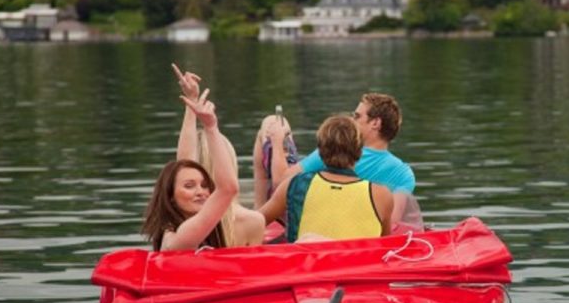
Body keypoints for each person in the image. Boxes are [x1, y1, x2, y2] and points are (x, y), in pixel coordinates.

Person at [255, 92, 415, 228]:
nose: (352, 121)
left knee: (270, 123)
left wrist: (277, 141)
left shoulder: (337, 150)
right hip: (356, 231)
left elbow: (280, 182)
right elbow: (393, 223)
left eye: (357, 116)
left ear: (375, 123)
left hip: (306, 218)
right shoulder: (404, 173)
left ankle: (259, 211)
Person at [259, 115, 393, 242]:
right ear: (359, 152)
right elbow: (386, 245)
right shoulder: (382, 195)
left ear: (320, 152)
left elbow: (256, 222)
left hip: (307, 264)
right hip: (355, 265)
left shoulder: (295, 184)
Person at [173, 64, 265, 246]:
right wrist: (210, 127)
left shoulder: (180, 223)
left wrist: (191, 101)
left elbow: (183, 166)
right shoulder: (253, 222)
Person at [142, 89, 238, 251]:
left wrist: (191, 103)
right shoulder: (178, 238)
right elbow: (228, 189)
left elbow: (185, 163)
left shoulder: (180, 228)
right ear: (170, 196)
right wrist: (211, 128)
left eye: (205, 185)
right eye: (189, 186)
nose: (201, 192)